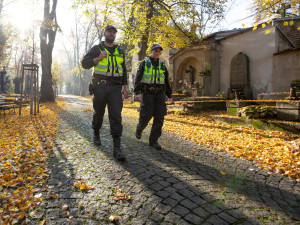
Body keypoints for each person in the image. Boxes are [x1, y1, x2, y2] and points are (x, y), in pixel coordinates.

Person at [81, 25, 127, 160]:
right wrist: (97, 58)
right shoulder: (97, 49)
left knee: (116, 116)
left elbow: (123, 70)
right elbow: (84, 63)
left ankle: (117, 148)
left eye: (114, 32)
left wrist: (125, 87)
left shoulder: (120, 50)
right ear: (104, 33)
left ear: (115, 35)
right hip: (100, 87)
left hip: (116, 88)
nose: (111, 34)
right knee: (99, 113)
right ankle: (96, 132)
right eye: (109, 32)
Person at [134, 44, 172, 150]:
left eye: (159, 51)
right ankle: (140, 128)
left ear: (160, 53)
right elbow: (138, 78)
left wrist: (169, 95)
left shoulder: (162, 65)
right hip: (148, 93)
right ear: (151, 52)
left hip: (160, 94)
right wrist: (137, 92)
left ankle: (153, 140)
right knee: (146, 115)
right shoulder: (145, 63)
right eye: (155, 51)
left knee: (160, 117)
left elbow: (166, 81)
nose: (157, 53)